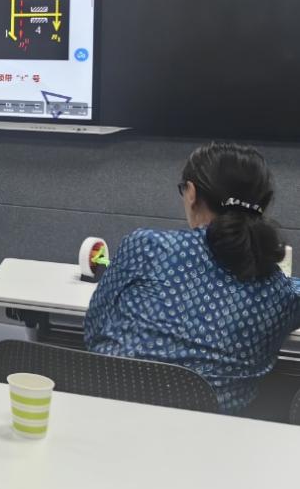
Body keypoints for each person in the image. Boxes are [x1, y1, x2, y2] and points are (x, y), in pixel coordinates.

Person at [84, 142, 300, 414]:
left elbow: (93, 330)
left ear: (191, 193)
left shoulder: (147, 246)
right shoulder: (279, 293)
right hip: (207, 435)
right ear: (264, 205)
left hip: (105, 416)